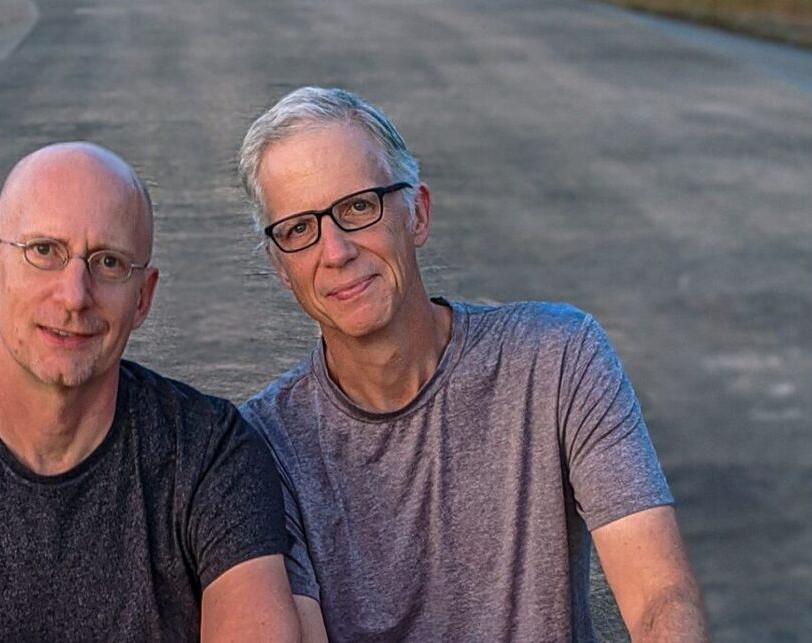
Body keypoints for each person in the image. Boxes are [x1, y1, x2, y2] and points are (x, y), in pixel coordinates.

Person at [236, 87, 708, 642]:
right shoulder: (260, 446)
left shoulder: (557, 357)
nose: (335, 251)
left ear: (418, 213)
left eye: (358, 206)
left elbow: (661, 597)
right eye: (299, 229)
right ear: (279, 268)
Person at [0, 142, 300, 642]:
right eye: (44, 251)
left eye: (108, 262)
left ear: (142, 298)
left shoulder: (212, 452)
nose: (74, 295)